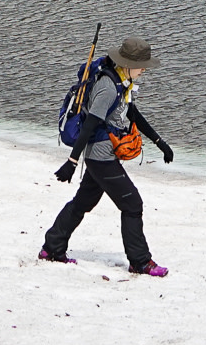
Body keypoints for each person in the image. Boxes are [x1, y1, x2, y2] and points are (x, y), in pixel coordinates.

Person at [40, 35, 173, 277]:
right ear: (128, 65)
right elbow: (90, 124)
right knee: (133, 204)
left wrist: (159, 142)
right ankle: (140, 262)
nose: (144, 70)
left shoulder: (122, 81)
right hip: (100, 157)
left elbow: (132, 112)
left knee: (83, 203)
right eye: (142, 66)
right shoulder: (108, 86)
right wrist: (72, 161)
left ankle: (52, 248)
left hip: (101, 155)